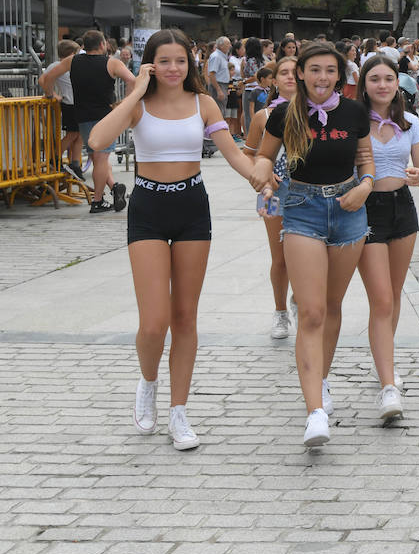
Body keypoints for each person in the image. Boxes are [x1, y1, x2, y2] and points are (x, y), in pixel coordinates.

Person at [87, 29, 261, 450]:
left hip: (191, 209)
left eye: (180, 61)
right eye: (163, 61)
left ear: (191, 63)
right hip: (148, 208)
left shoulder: (203, 103)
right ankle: (148, 382)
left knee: (185, 317)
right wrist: (135, 89)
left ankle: (178, 412)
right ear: (150, 64)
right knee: (154, 322)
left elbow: (235, 151)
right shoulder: (138, 106)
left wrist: (259, 177)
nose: (172, 68)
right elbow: (96, 140)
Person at [250, 42, 376, 447]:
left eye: (330, 70)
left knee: (334, 305)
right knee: (312, 311)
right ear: (299, 73)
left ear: (340, 75)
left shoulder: (355, 112)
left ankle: (320, 380)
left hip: (348, 209)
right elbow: (265, 157)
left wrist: (367, 186)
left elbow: (365, 160)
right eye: (314, 70)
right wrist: (263, 177)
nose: (322, 77)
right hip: (301, 208)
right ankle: (314, 413)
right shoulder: (284, 114)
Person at [357, 55, 419, 421]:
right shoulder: (354, 120)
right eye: (375, 79)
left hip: (403, 207)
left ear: (397, 83)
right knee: (381, 298)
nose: (383, 85)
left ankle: (383, 361)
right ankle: (388, 387)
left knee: (394, 294)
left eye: (388, 78)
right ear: (364, 83)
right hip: (365, 211)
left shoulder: (410, 122)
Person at [40, 29, 136, 213]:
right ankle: (98, 201)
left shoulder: (72, 61)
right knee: (101, 159)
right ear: (103, 45)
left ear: (84, 45)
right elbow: (132, 80)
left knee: (96, 156)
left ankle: (114, 188)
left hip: (82, 115)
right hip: (106, 115)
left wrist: (50, 95)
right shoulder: (112, 63)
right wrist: (125, 102)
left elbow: (47, 78)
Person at [241, 56, 297, 340]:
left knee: (304, 252)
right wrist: (262, 176)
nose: (289, 77)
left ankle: (299, 299)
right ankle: (280, 313)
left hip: (303, 190)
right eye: (282, 73)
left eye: (293, 72)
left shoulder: (316, 112)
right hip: (271, 192)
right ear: (273, 81)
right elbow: (248, 153)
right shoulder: (263, 116)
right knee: (280, 257)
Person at [42, 39, 84, 181]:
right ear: (71, 53)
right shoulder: (56, 65)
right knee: (72, 134)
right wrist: (52, 94)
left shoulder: (74, 64)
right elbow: (43, 79)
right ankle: (55, 157)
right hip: (70, 103)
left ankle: (75, 163)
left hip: (78, 103)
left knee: (80, 135)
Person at [204, 36, 232, 121]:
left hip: (222, 85)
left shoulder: (222, 56)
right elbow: (212, 74)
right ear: (221, 45)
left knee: (222, 109)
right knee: (218, 110)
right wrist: (219, 90)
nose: (230, 46)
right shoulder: (216, 56)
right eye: (228, 44)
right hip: (218, 85)